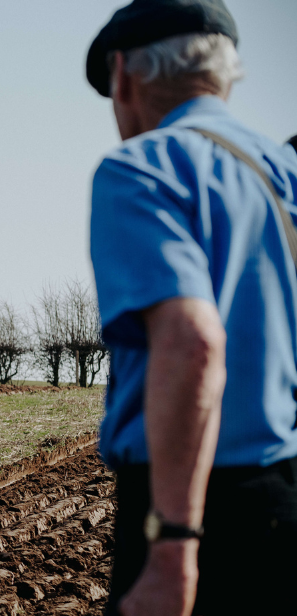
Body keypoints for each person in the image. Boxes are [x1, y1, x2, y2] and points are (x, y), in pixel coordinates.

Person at [86, 1, 297, 614]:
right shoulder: (283, 170)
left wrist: (174, 544)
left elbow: (193, 342)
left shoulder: (142, 170)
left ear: (123, 75)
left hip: (199, 511)